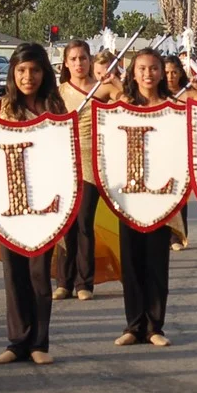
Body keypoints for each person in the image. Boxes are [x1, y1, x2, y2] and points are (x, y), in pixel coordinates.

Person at [0, 43, 67, 366]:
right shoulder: (0, 109)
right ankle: (17, 341)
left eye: (34, 70)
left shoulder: (55, 110)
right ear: (12, 73)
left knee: (38, 274)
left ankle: (39, 343)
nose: (28, 76)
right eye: (21, 70)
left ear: (44, 72)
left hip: (45, 205)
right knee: (13, 272)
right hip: (9, 205)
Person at [109, 48, 191, 348]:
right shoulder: (120, 107)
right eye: (141, 68)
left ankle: (155, 326)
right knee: (131, 261)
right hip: (128, 194)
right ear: (132, 73)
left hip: (161, 194)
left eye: (154, 68)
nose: (148, 74)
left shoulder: (173, 108)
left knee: (157, 261)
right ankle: (133, 325)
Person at [55, 40, 108, 302]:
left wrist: (114, 82)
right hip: (63, 161)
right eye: (73, 59)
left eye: (83, 58)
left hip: (90, 162)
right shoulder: (57, 92)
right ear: (66, 63)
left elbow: (127, 102)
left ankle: (84, 282)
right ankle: (63, 281)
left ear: (90, 61)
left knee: (84, 221)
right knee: (65, 224)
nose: (78, 63)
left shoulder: (101, 90)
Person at [164, 54, 197, 252]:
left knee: (180, 195)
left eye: (174, 72)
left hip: (182, 149)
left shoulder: (188, 94)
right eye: (167, 72)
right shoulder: (156, 94)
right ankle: (163, 234)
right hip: (160, 150)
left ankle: (177, 235)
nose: (170, 76)